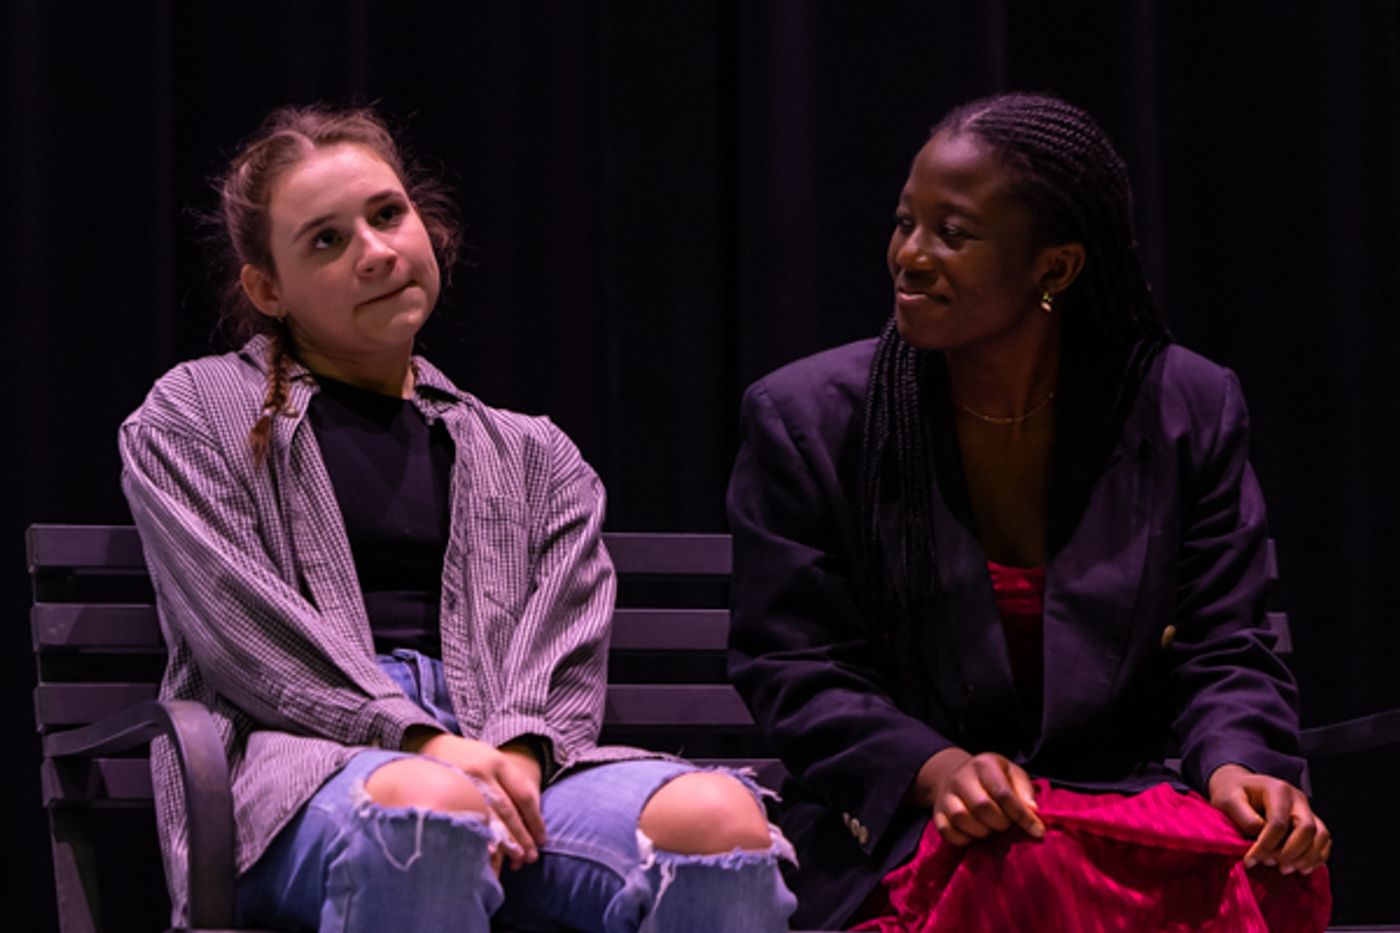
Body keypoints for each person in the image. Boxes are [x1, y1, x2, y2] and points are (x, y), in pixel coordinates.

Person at [120, 104, 796, 933]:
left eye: (387, 214)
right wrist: (418, 740)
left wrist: (511, 751)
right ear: (268, 288)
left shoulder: (533, 454)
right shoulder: (195, 413)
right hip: (295, 764)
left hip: (505, 748)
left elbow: (562, 641)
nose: (375, 252)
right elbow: (245, 632)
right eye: (326, 241)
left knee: (717, 820)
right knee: (429, 805)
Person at [726, 92, 1332, 932]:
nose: (912, 254)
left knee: (1270, 874)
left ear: (1054, 268)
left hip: (1113, 805)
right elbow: (795, 666)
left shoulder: (1182, 406)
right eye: (906, 222)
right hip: (905, 824)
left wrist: (1242, 767)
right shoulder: (810, 419)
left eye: (954, 233)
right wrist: (936, 769)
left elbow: (1224, 640)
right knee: (1023, 873)